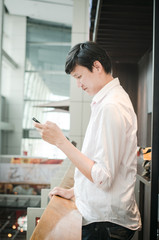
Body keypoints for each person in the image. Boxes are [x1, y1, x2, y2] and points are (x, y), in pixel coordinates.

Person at [34, 41, 141, 240]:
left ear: (97, 67)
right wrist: (76, 191)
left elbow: (103, 176)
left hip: (106, 224)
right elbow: (103, 167)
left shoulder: (111, 106)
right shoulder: (108, 101)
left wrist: (61, 142)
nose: (78, 84)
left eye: (79, 76)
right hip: (105, 220)